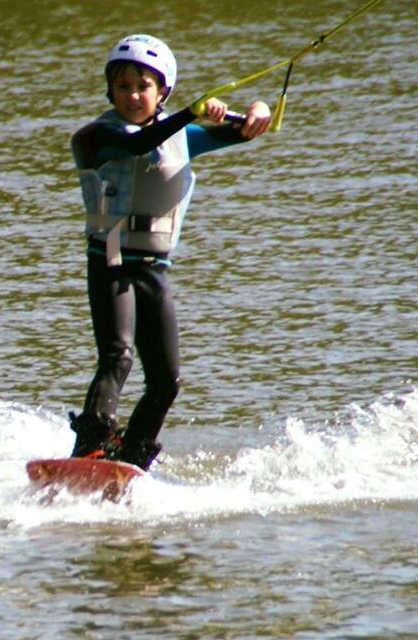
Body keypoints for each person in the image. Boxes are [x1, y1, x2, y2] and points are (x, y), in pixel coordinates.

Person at [68, 34, 271, 470]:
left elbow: (249, 130)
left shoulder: (185, 135)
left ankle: (132, 460)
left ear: (163, 92)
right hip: (111, 259)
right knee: (118, 356)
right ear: (110, 91)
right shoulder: (95, 136)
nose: (132, 95)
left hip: (154, 268)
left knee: (166, 381)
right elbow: (140, 143)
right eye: (123, 86)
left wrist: (258, 111)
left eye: (143, 86)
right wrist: (193, 112)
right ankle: (90, 449)